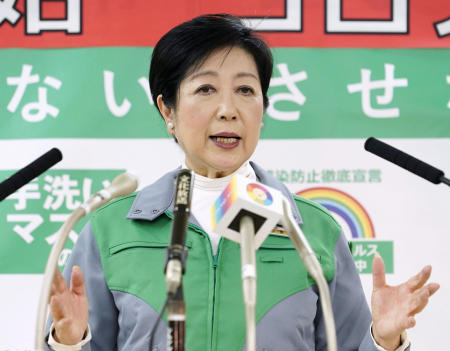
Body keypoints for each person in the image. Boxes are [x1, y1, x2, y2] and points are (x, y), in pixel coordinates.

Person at [46, 14, 439, 351]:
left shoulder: (312, 230)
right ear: (167, 109)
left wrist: (384, 339)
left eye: (246, 91)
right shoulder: (111, 230)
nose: (229, 110)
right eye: (205, 89)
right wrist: (66, 341)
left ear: (263, 108)